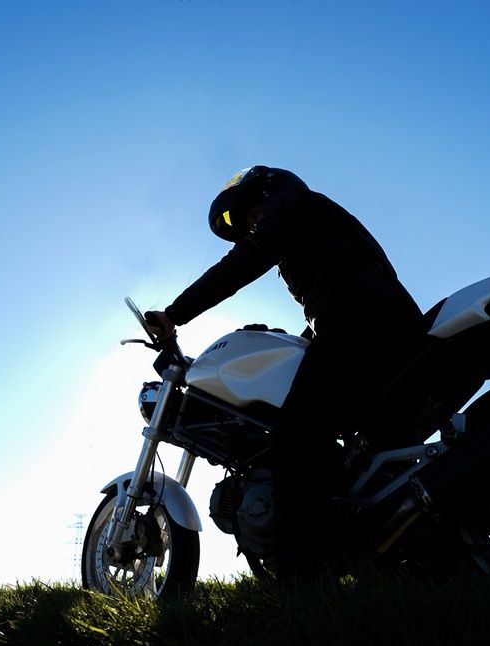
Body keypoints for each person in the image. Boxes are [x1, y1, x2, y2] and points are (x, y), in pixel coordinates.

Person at [146, 165, 426, 586]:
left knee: (295, 438)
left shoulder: (296, 208)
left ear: (268, 192)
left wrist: (174, 314)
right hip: (378, 328)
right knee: (350, 449)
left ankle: (300, 581)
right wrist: (306, 338)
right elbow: (340, 282)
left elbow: (242, 264)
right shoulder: (321, 226)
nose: (255, 227)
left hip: (360, 326)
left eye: (254, 215)